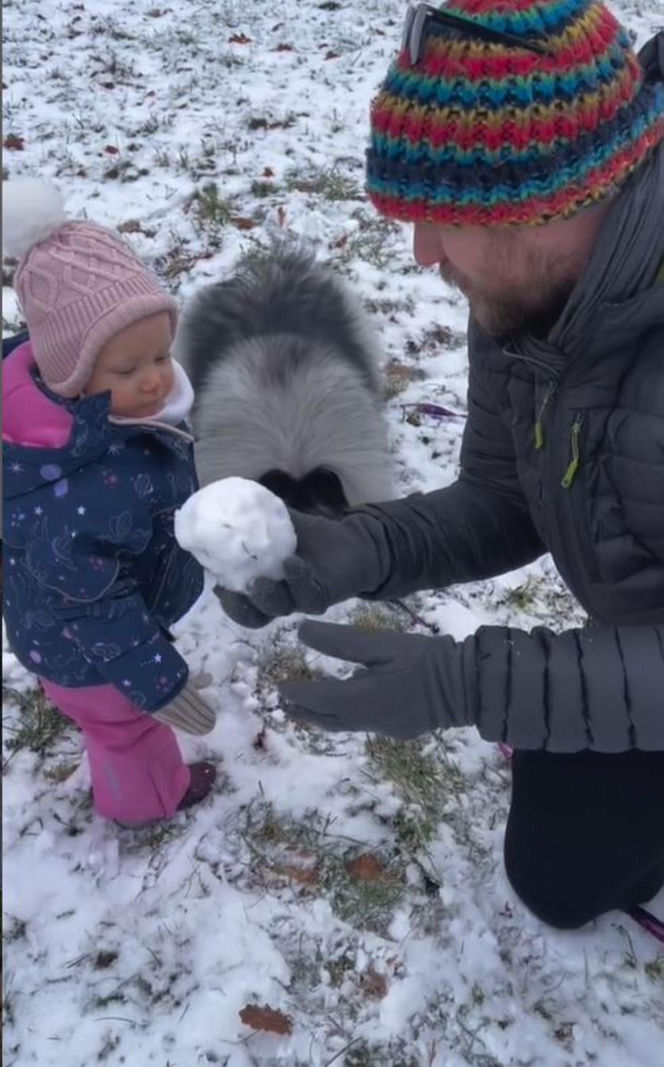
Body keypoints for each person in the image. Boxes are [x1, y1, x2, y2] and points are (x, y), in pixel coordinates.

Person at [215, 0, 664, 930]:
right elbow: (508, 493)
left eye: (442, 221)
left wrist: (473, 683)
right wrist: (358, 548)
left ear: (564, 199)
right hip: (638, 626)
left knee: (562, 886)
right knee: (556, 862)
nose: (423, 254)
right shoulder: (528, 283)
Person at [2, 180, 217, 825]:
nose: (155, 376)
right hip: (86, 648)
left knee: (108, 717)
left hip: (68, 633)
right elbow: (92, 605)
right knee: (127, 729)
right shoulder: (72, 493)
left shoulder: (101, 426)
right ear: (71, 376)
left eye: (160, 353)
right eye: (127, 370)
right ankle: (147, 803)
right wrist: (158, 681)